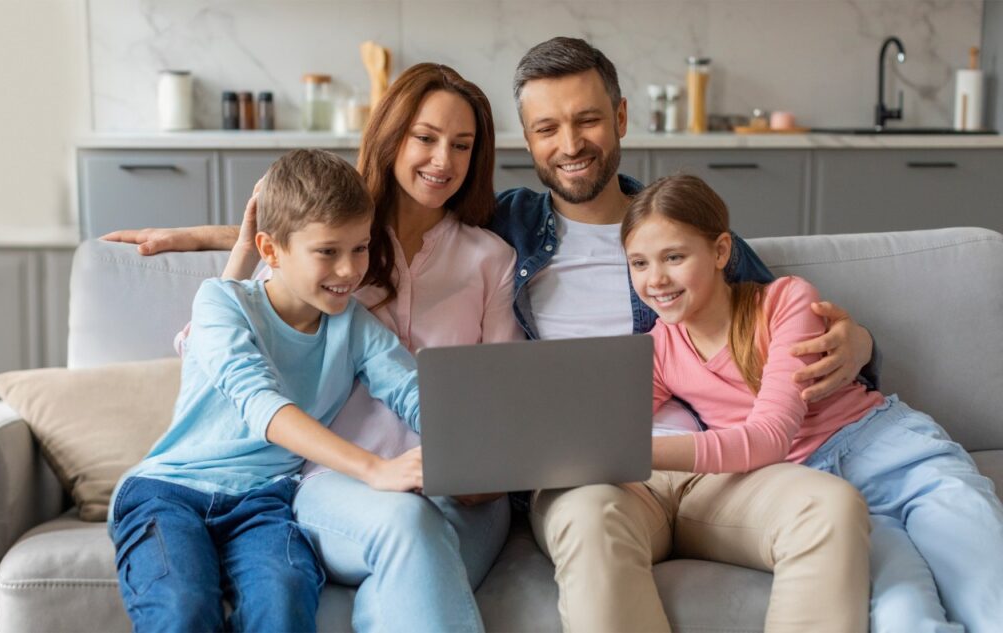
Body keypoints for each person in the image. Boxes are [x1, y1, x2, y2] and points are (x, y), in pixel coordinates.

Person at [107, 37, 878, 630]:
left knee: (822, 507)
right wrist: (231, 245)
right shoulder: (346, 256)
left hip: (523, 470)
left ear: (619, 121)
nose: (443, 161)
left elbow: (761, 301)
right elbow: (274, 283)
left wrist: (860, 342)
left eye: (464, 144)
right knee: (410, 523)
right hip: (357, 476)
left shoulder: (502, 244)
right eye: (424, 138)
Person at [624, 173, 1003, 633]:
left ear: (721, 251)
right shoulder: (657, 351)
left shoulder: (785, 300)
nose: (655, 279)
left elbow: (768, 438)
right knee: (905, 619)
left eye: (674, 257)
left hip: (896, 457)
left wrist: (631, 454)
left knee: (988, 597)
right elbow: (605, 425)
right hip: (830, 496)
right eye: (639, 264)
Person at [109, 149, 427, 632]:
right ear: (271, 251)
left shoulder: (357, 328)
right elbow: (262, 404)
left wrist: (469, 447)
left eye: (359, 248)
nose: (348, 271)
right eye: (327, 252)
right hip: (169, 492)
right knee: (182, 607)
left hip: (264, 502)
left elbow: (412, 392)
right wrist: (375, 470)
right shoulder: (222, 302)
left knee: (283, 602)